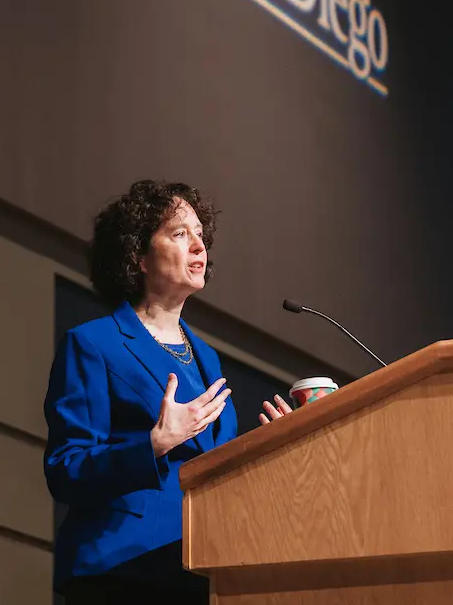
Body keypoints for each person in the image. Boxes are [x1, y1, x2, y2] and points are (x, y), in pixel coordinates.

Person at [43, 180, 294, 603]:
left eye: (200, 234)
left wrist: (274, 449)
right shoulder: (94, 344)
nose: (198, 246)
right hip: (122, 569)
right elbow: (66, 471)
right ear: (138, 256)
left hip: (200, 569)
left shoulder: (206, 358)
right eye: (180, 234)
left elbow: (215, 472)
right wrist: (153, 445)